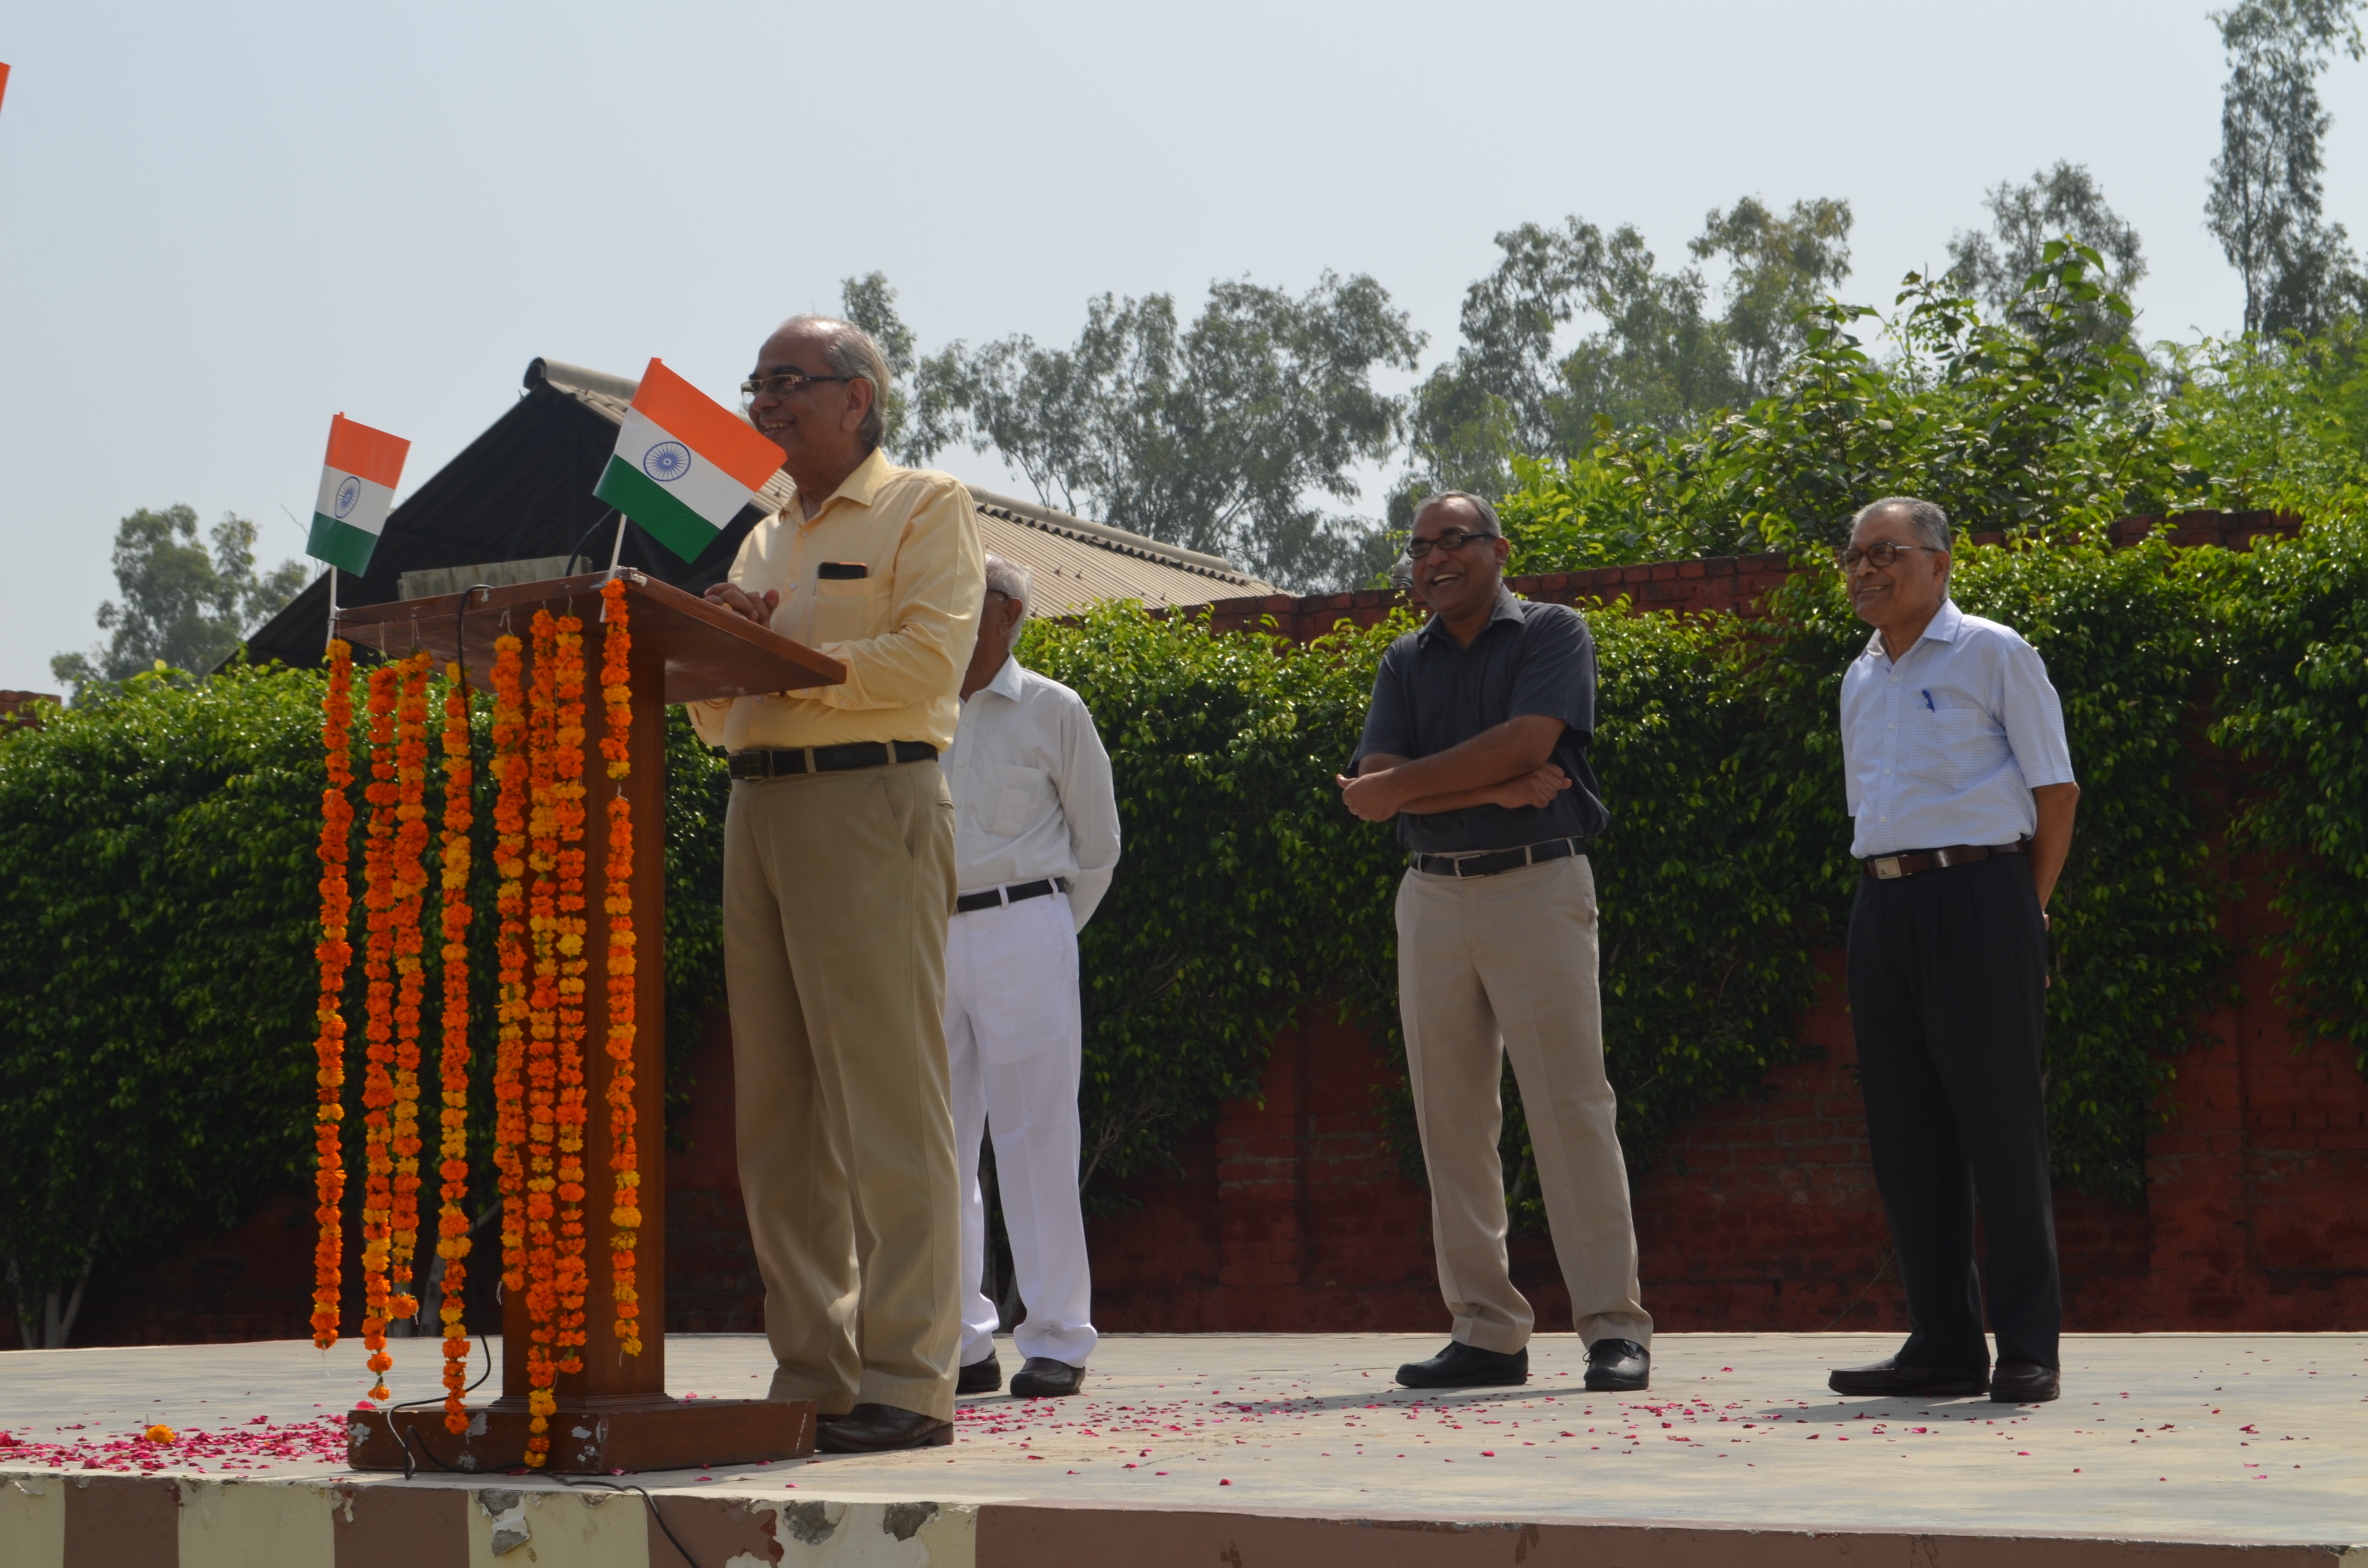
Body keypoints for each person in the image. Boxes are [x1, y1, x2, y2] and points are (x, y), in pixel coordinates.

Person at [691, 314, 985, 1453]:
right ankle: (814, 1374)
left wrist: (779, 662)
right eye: (756, 384)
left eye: (787, 382)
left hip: (871, 801)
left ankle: (908, 1380)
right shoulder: (760, 541)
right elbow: (715, 716)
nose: (763, 403)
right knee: (777, 1117)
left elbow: (928, 658)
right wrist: (716, 646)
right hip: (755, 808)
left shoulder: (925, 505)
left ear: (856, 398)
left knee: (888, 1103)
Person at [1339, 491, 1653, 1395]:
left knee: (1571, 1108)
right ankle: (1486, 1330)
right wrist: (1488, 787)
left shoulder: (1553, 633)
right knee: (1449, 1119)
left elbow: (1526, 744)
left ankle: (1612, 1327)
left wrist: (1422, 786)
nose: (1433, 560)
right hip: (1431, 895)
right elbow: (1374, 790)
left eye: (1453, 541)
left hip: (1537, 883)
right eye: (1419, 548)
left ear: (1499, 548)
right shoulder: (1404, 659)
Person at [1824, 497, 2078, 1407]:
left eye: (1884, 552)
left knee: (2001, 1126)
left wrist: (2024, 913)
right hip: (1882, 902)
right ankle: (1943, 1344)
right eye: (1853, 556)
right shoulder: (1860, 678)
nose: (1864, 570)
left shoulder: (1993, 652)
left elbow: (2056, 793)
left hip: (1981, 893)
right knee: (1906, 1132)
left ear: (1940, 562)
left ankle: (2028, 1349)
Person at [939, 554, 1121, 1401]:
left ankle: (1056, 1338)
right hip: (929, 931)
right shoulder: (918, 706)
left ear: (1007, 612)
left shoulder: (1055, 707)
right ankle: (960, 1341)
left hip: (1026, 921)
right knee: (937, 1143)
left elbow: (1099, 848)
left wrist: (1045, 931)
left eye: (961, 592)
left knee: (1036, 1136)